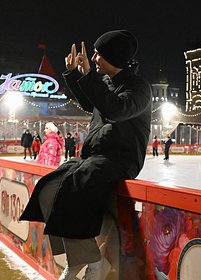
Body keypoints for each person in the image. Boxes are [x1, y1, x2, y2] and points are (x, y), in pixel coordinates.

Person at [20, 30, 152, 280]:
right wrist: (73, 74)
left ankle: (87, 262)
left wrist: (89, 76)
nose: (92, 58)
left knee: (73, 187)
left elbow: (115, 110)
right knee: (48, 190)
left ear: (110, 57)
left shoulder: (138, 88)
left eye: (97, 54)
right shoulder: (107, 84)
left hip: (119, 160)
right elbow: (93, 103)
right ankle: (90, 258)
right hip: (95, 158)